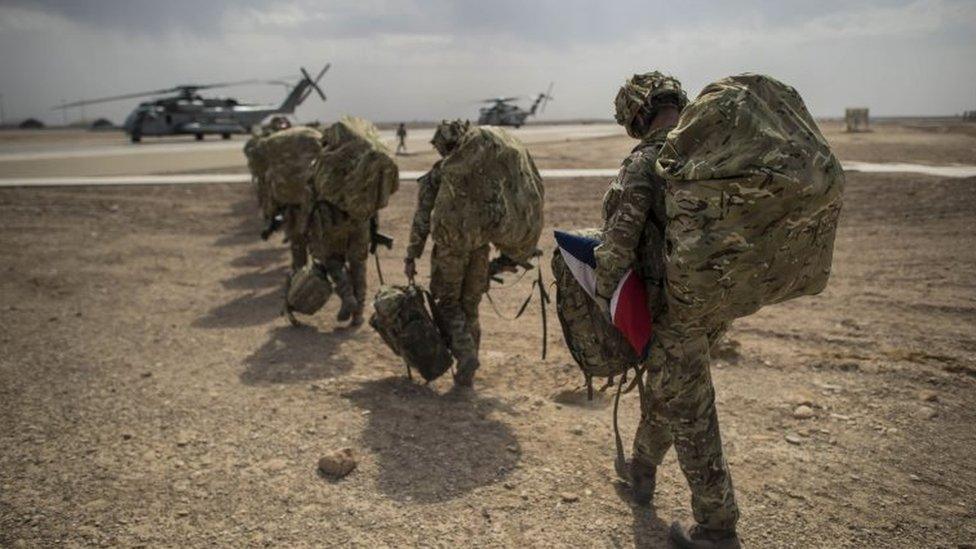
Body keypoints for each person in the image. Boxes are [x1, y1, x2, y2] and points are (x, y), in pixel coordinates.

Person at [594, 72, 741, 549]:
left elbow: (618, 246)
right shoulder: (713, 151)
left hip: (674, 311)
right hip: (715, 303)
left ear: (639, 114)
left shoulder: (646, 161)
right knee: (668, 389)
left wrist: (604, 295)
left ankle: (717, 529)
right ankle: (641, 469)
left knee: (692, 412)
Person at [403, 120, 493, 387]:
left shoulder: (439, 173)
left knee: (448, 304)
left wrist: (412, 254)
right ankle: (468, 372)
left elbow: (422, 217)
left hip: (450, 251)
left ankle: (466, 356)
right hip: (479, 249)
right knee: (470, 308)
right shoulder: (484, 173)